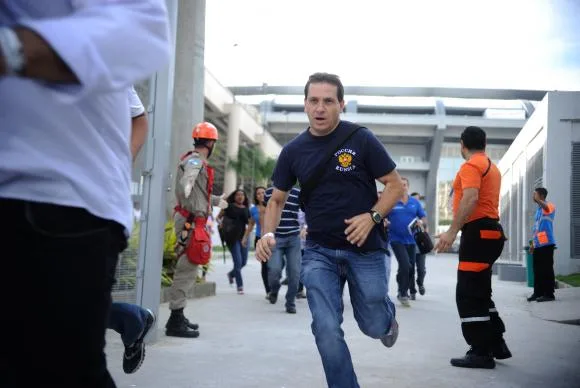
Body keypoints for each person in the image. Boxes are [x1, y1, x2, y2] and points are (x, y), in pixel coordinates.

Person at [0, 3, 170, 386]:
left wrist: (12, 48)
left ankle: (127, 316)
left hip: (47, 197)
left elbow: (140, 34)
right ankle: (127, 316)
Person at [256, 72, 404, 388]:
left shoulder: (361, 139)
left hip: (366, 249)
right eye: (313, 101)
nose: (320, 108)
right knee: (325, 327)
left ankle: (385, 318)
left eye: (328, 101)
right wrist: (267, 234)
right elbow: (277, 198)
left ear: (341, 104)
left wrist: (373, 217)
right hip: (319, 251)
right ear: (305, 105)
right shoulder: (293, 151)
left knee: (374, 324)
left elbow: (395, 184)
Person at [435, 126, 512, 369]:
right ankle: (495, 342)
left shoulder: (471, 166)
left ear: (462, 144)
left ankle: (481, 351)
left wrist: (451, 231)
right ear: (485, 143)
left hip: (478, 234)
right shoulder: (491, 165)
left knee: (468, 294)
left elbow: (470, 198)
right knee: (479, 291)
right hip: (490, 232)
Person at [107, 86, 156, 375]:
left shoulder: (99, 56)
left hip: (83, 203)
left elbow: (138, 117)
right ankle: (131, 318)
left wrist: (120, 165)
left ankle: (130, 318)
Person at [166, 121, 228, 338]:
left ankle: (178, 314)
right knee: (186, 268)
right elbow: (188, 180)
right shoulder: (195, 160)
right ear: (210, 142)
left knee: (189, 267)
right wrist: (188, 181)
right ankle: (174, 320)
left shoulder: (197, 160)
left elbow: (197, 196)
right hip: (190, 222)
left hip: (194, 221)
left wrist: (217, 200)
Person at [386, 178, 428, 306]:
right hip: (395, 239)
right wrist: (385, 222)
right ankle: (403, 293)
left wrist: (422, 222)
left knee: (409, 268)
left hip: (411, 240)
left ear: (408, 187)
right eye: (400, 185)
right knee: (405, 265)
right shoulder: (391, 201)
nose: (402, 187)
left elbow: (424, 217)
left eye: (404, 185)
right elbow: (382, 216)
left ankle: (402, 289)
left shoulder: (414, 202)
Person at [264, 186, 302, 314]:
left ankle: (290, 302)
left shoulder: (298, 193)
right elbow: (267, 213)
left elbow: (305, 212)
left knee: (295, 273)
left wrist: (305, 227)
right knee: (274, 270)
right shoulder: (269, 192)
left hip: (293, 238)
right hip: (276, 238)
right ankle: (274, 290)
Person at [527, 187, 557, 302]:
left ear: (542, 196)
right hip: (538, 245)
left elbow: (546, 207)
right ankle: (537, 293)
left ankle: (549, 294)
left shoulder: (550, 206)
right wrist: (532, 245)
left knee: (546, 269)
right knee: (537, 270)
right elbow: (537, 229)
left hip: (547, 243)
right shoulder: (539, 210)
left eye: (535, 194)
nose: (533, 196)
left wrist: (538, 200)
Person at [219, 189, 251, 294]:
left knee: (244, 262)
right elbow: (218, 217)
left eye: (242, 195)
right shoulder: (229, 206)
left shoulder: (246, 209)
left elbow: (250, 223)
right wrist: (221, 224)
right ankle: (240, 286)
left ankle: (231, 274)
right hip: (232, 238)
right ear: (234, 196)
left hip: (244, 238)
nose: (240, 197)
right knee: (238, 262)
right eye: (238, 195)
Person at [243, 186, 268, 297]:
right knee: (265, 266)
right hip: (259, 239)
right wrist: (245, 237)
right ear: (256, 196)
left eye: (263, 192)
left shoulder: (273, 206)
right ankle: (269, 290)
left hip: (272, 238)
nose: (261, 195)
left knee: (276, 265)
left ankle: (274, 283)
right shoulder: (253, 209)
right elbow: (251, 224)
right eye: (258, 193)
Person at [410, 191, 428, 299]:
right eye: (414, 199)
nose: (417, 202)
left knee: (421, 269)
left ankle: (420, 283)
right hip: (409, 244)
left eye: (418, 199)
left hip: (420, 244)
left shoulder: (422, 214)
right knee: (410, 269)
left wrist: (422, 225)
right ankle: (412, 291)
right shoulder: (407, 211)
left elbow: (426, 228)